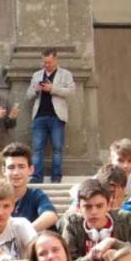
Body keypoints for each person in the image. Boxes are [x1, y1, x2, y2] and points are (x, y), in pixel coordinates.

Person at [59, 179, 131, 261]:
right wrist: (90, 257)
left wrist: (114, 243)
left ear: (109, 205)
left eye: (99, 206)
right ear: (79, 208)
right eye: (87, 207)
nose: (94, 212)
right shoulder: (73, 223)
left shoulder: (125, 219)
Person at [25, 48, 75, 184]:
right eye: (44, 62)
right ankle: (37, 176)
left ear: (56, 59)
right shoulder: (37, 75)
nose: (46, 65)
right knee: (37, 148)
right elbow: (28, 95)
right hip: (39, 115)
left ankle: (56, 177)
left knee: (57, 148)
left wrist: (52, 89)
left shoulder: (65, 74)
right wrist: (36, 90)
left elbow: (71, 92)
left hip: (57, 116)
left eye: (49, 62)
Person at [0, 142, 57, 231]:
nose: (16, 173)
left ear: (31, 170)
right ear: (4, 171)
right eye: (11, 167)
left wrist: (24, 234)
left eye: (21, 167)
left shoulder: (36, 195)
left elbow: (50, 215)